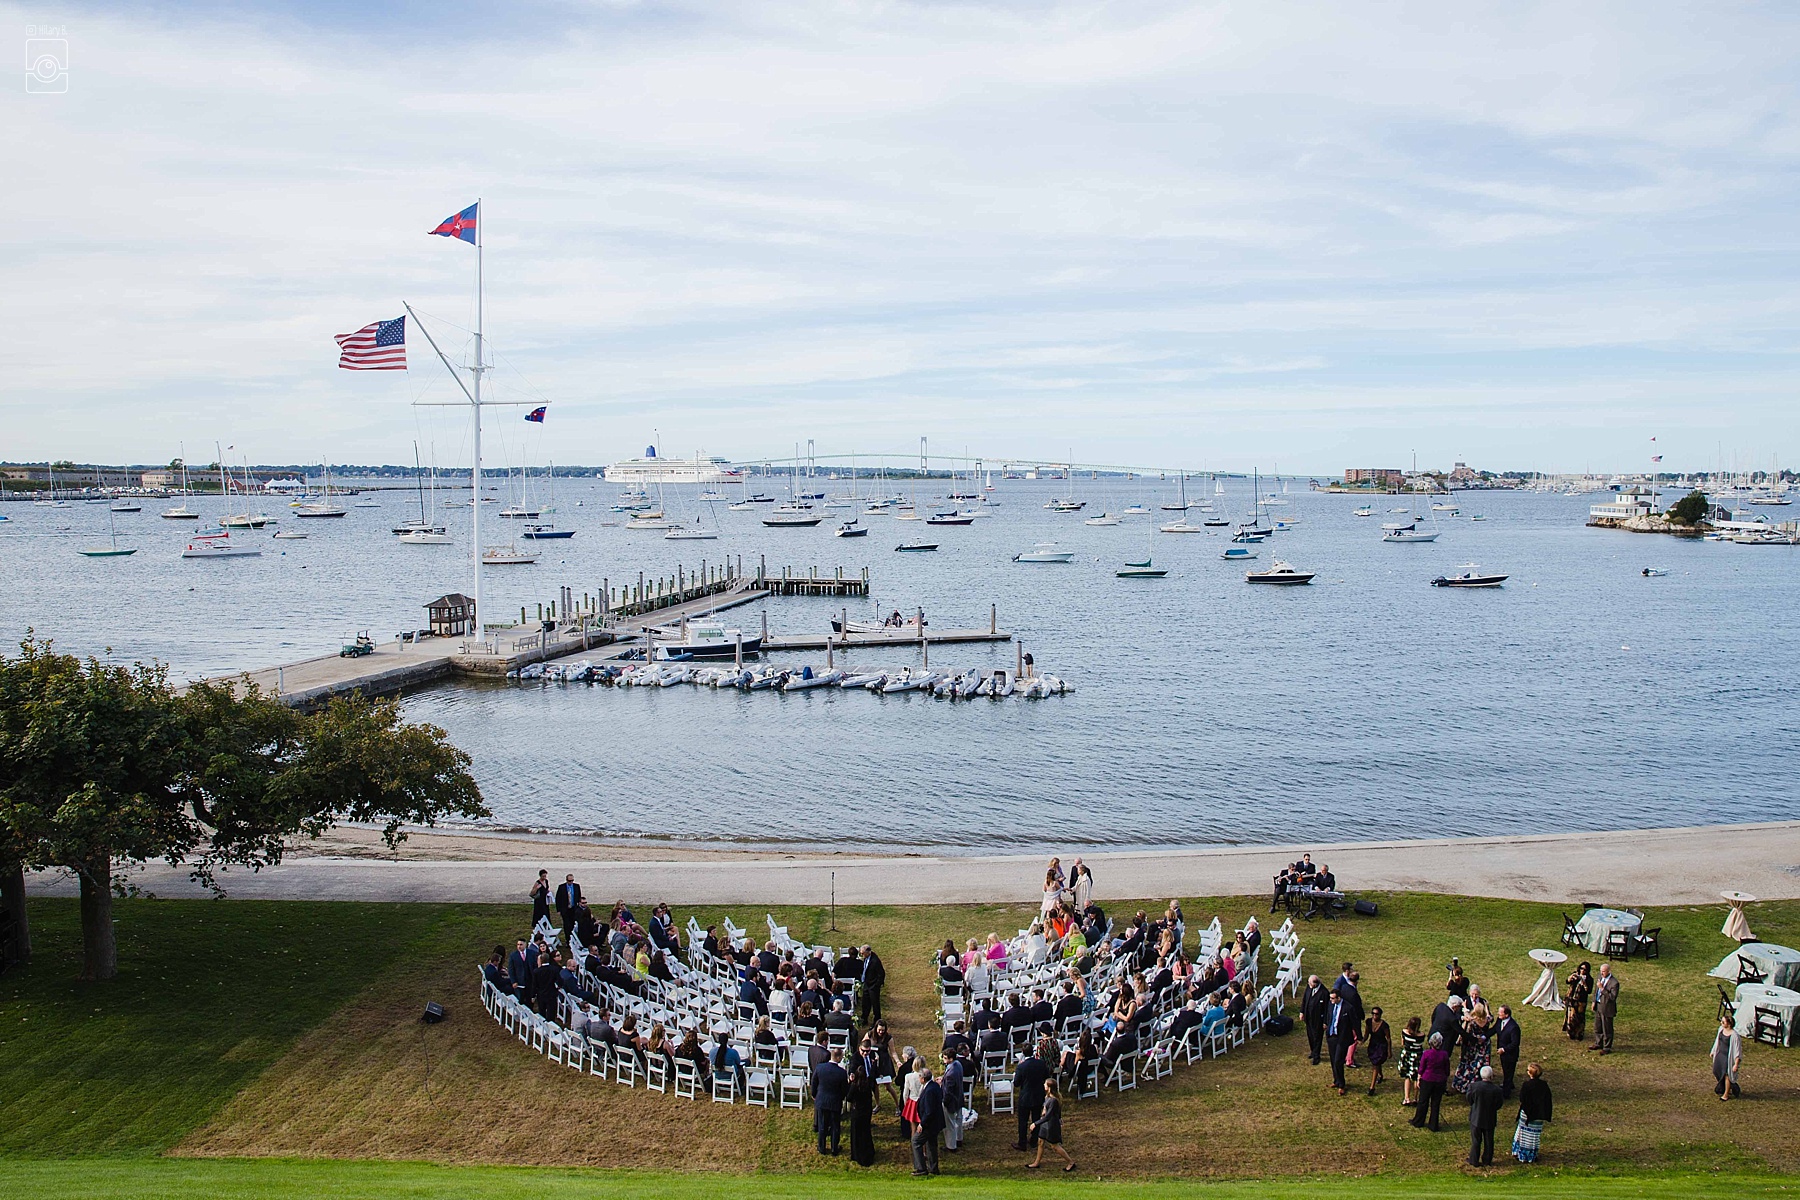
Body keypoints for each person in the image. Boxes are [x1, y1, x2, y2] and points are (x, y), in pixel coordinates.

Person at [1028, 1078, 1075, 1171]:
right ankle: (1036, 1162)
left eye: (1045, 1084)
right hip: (1045, 1124)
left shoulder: (1053, 1100)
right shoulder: (1048, 1097)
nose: (1044, 1085)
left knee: (1055, 1146)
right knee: (1040, 1142)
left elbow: (1048, 1116)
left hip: (1051, 1125)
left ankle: (1070, 1162)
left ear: (1049, 1088)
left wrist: (1035, 1124)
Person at [1012, 1043, 1051, 1151]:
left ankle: (1022, 1143)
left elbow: (1016, 1083)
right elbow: (1047, 1077)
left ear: (1023, 1053)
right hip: (1038, 1095)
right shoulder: (1041, 1063)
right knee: (1036, 1118)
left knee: (1023, 1121)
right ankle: (1034, 1140)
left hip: (1025, 1096)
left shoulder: (1021, 1067)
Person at [1410, 1032, 1451, 1131]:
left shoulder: (1426, 1054)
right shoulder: (1444, 1055)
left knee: (1423, 1101)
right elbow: (1447, 1070)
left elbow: (1421, 1068)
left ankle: (1418, 1121)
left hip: (1427, 1079)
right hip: (1440, 1081)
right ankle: (1433, 1125)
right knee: (1435, 1103)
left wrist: (1419, 1078)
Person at [812, 1048, 849, 1156]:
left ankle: (822, 1147)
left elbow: (814, 1083)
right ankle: (834, 1148)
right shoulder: (842, 1073)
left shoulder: (820, 1068)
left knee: (822, 1125)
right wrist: (840, 1098)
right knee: (835, 1126)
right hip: (835, 1102)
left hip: (822, 1100)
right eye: (841, 1057)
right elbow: (844, 1090)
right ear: (837, 1057)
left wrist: (814, 1095)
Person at [1513, 1062, 1553, 1162]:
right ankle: (1532, 1155)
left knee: (1524, 1134)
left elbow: (1522, 1098)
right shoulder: (1544, 1085)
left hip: (1527, 1113)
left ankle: (1521, 1154)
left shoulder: (1527, 1085)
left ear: (1530, 1073)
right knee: (1534, 1136)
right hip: (1539, 1114)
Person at [1467, 1064, 1504, 1167]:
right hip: (1489, 1118)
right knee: (1489, 1141)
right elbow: (1499, 1104)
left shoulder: (1474, 1087)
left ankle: (1474, 1160)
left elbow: (1469, 1099)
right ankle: (1487, 1160)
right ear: (1491, 1076)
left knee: (1476, 1140)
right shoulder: (1497, 1090)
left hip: (1476, 1117)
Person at [911, 1063, 944, 1176]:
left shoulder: (929, 1090)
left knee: (916, 1141)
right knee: (931, 1144)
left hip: (929, 1124)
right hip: (936, 1123)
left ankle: (921, 1168)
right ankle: (933, 1168)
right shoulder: (934, 1086)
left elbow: (929, 1111)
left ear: (923, 1078)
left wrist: (922, 1124)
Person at [847, 1059, 876, 1166]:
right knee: (866, 1132)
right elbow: (872, 1076)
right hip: (866, 1111)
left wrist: (850, 1083)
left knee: (856, 1134)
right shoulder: (868, 1085)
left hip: (857, 1112)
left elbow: (849, 1098)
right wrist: (873, 1065)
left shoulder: (855, 1086)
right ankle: (868, 1152)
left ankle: (856, 1154)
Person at [1711, 1014, 1743, 1100]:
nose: (1721, 1023)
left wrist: (1736, 1064)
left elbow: (1737, 1051)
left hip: (1728, 1058)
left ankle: (1726, 1094)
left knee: (1727, 1075)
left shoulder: (1735, 1036)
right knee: (1716, 1071)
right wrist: (1713, 1051)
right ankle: (1730, 1086)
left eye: (1723, 1022)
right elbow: (1717, 1041)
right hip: (1720, 1055)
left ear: (1729, 1024)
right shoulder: (1721, 1030)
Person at [1590, 962, 1620, 1053]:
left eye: (1603, 971)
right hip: (1599, 1005)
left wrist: (1602, 989)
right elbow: (1596, 990)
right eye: (1601, 971)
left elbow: (1612, 997)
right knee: (1597, 1026)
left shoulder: (1614, 983)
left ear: (1608, 971)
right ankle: (1598, 1043)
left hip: (1607, 1008)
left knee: (1607, 1028)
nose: (1602, 973)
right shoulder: (1599, 977)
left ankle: (1607, 1047)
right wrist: (1594, 1001)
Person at [1397, 1015, 1425, 1108]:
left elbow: (1402, 1043)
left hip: (1407, 1055)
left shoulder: (1404, 1032)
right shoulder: (1421, 1036)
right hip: (1417, 1057)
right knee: (1417, 1078)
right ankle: (1415, 1098)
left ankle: (1406, 1098)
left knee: (1407, 1077)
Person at [941, 1051, 966, 1151]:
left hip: (951, 1100)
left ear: (950, 1059)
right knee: (959, 1119)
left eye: (945, 1058)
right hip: (959, 1097)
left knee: (949, 1124)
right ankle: (959, 1138)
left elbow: (948, 1091)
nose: (943, 1060)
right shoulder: (958, 1064)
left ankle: (951, 1146)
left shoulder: (950, 1073)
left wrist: (944, 1102)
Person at [1494, 1005, 1521, 1098]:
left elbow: (1515, 1043)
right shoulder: (1499, 1020)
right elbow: (1494, 1029)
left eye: (1500, 1012)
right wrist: (1483, 1037)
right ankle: (1509, 1084)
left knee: (1509, 1071)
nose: (1498, 1013)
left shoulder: (1513, 1027)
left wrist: (1504, 1049)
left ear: (1506, 1015)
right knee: (1506, 1071)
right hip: (1502, 1053)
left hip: (1510, 1055)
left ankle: (1506, 1093)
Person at [1562, 961, 1593, 1042]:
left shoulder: (1589, 979)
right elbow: (1567, 982)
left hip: (1581, 1001)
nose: (1582, 971)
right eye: (1581, 968)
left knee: (1580, 1017)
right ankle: (1570, 1032)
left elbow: (1589, 991)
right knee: (1571, 1016)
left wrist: (1584, 984)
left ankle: (1579, 1033)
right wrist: (1570, 978)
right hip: (1572, 998)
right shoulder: (1575, 974)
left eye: (1584, 969)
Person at [1301, 975, 1328, 1065]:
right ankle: (1313, 1051)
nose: (1308, 984)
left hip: (1318, 1019)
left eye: (1310, 983)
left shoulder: (1324, 993)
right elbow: (1304, 1000)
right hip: (1308, 1017)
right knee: (1310, 1035)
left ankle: (1316, 1056)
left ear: (1316, 983)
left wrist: (1325, 1022)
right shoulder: (1309, 988)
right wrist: (1302, 1012)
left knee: (1317, 1037)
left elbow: (1327, 1009)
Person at [1363, 1006, 1391, 1096]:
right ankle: (1380, 1075)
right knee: (1376, 1063)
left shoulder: (1384, 1025)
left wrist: (1389, 1050)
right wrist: (1362, 1041)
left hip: (1381, 1046)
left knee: (1376, 1064)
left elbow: (1388, 1038)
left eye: (1377, 1014)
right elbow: (1366, 1034)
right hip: (1372, 1045)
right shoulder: (1368, 1022)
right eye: (1373, 1014)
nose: (1374, 1016)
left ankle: (1372, 1087)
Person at [859, 945, 886, 1025]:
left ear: (868, 952)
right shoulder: (866, 958)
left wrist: (876, 985)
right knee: (865, 1002)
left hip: (873, 986)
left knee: (875, 1004)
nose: (862, 955)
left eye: (863, 953)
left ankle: (877, 1021)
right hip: (867, 984)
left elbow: (881, 974)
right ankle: (864, 1018)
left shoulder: (875, 961)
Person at [554, 873, 582, 937]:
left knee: (573, 923)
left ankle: (574, 937)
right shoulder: (561, 887)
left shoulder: (576, 886)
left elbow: (578, 897)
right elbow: (558, 899)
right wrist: (558, 910)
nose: (571, 882)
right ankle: (568, 939)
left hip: (574, 908)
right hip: (565, 909)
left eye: (572, 880)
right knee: (567, 925)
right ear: (566, 880)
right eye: (569, 881)